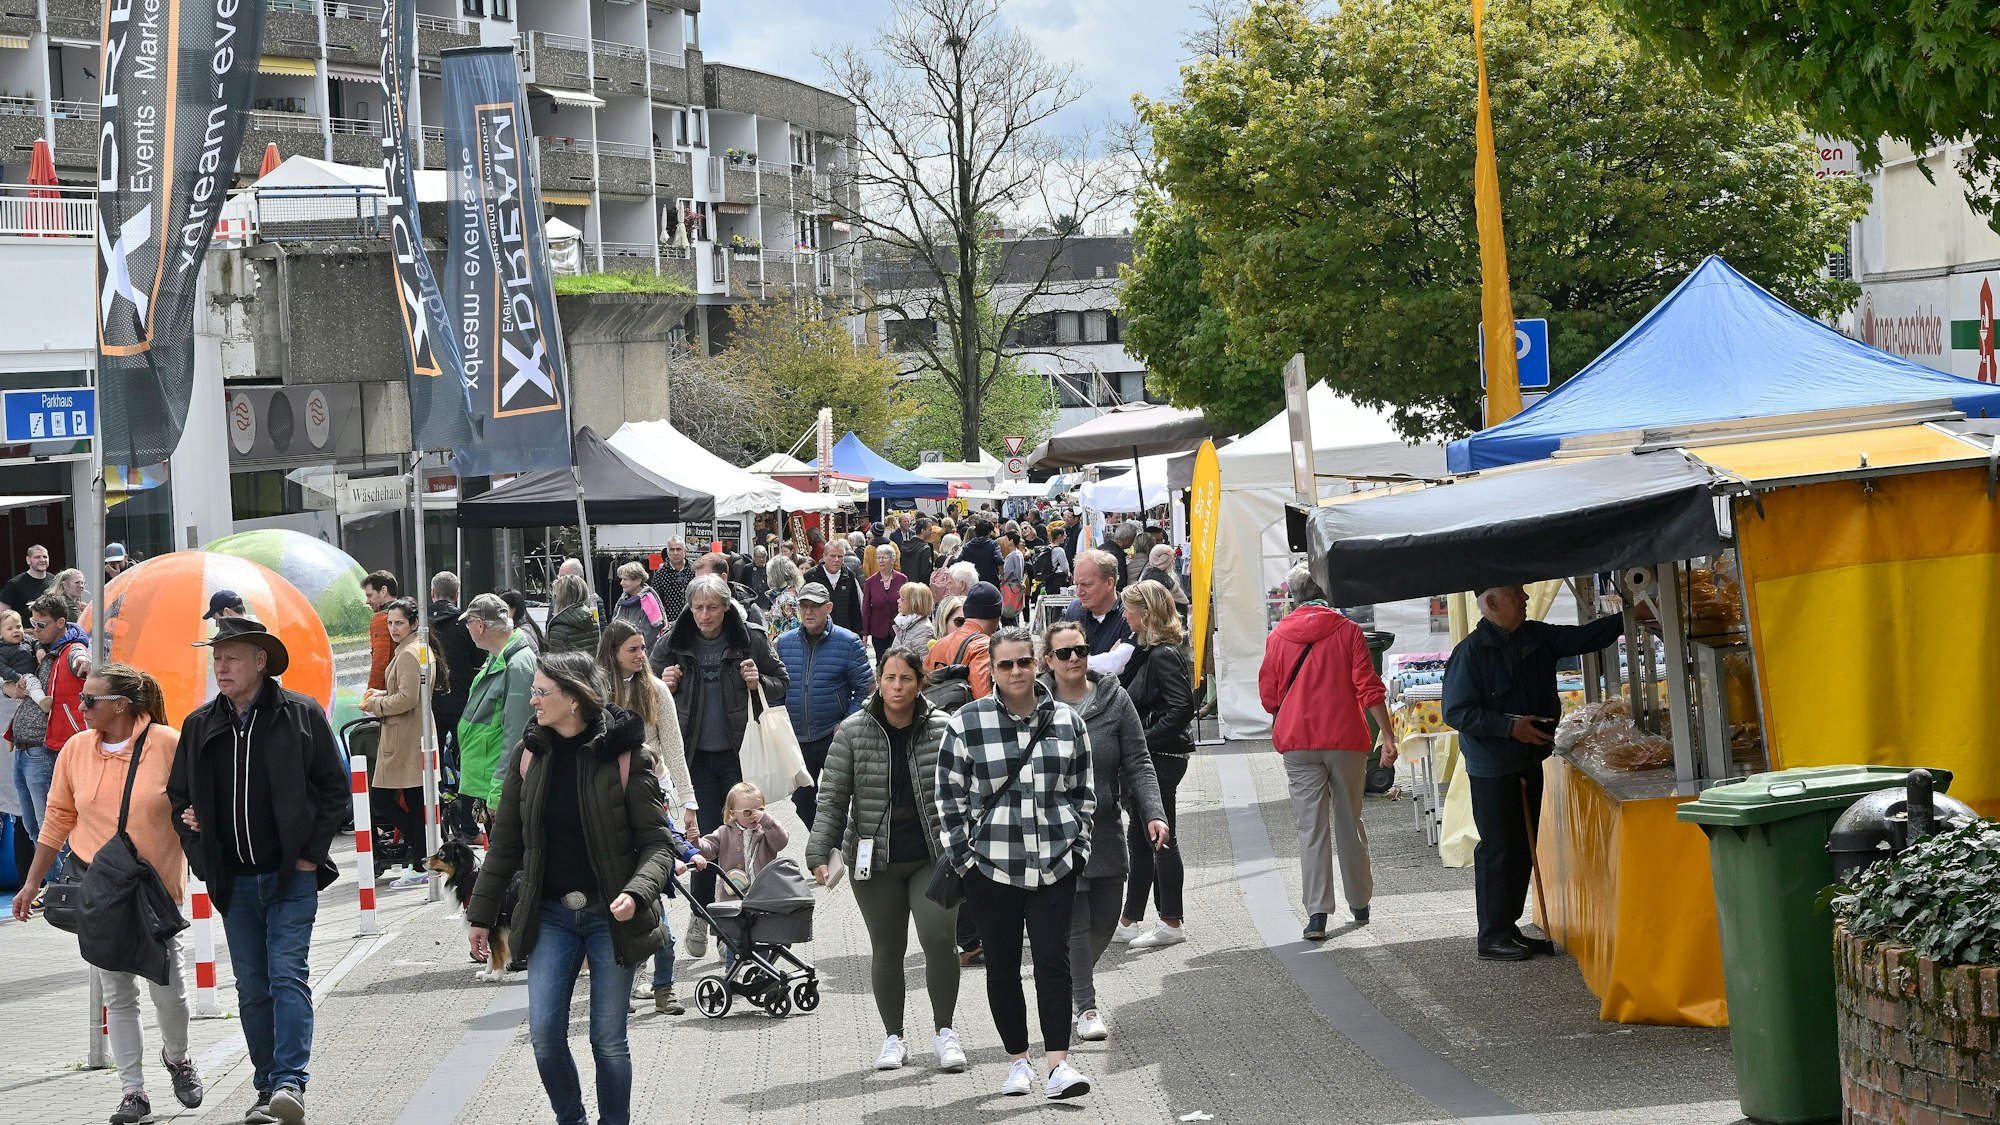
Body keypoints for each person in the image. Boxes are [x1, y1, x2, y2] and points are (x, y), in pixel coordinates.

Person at [466, 652, 675, 1125]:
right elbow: (505, 845)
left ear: (575, 698)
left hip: (611, 918)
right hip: (551, 916)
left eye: (542, 692)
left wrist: (637, 893)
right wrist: (481, 915)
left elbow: (658, 845)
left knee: (608, 1040)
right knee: (544, 1035)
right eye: (534, 691)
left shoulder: (627, 756)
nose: (533, 700)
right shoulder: (529, 756)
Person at [170, 618, 347, 1125]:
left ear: (260, 661)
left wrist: (310, 855)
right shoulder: (200, 724)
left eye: (231, 657)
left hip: (291, 876)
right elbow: (178, 799)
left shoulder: (301, 714)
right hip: (235, 881)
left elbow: (334, 789)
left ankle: (290, 1082)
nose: (220, 667)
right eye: (216, 657)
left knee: (287, 975)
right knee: (251, 987)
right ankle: (267, 1087)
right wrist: (203, 857)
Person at [13, 663, 206, 1125]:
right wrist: (32, 882)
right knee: (117, 994)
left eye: (89, 699)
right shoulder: (75, 749)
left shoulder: (167, 743)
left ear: (120, 704)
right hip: (99, 892)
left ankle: (177, 1057)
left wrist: (201, 822)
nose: (80, 706)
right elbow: (57, 818)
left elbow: (196, 805)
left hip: (156, 892)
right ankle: (133, 1092)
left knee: (171, 994)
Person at [935, 626, 1096, 1100]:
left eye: (1023, 661)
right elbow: (948, 798)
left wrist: (1079, 849)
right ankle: (1017, 1062)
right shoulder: (966, 723)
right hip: (991, 867)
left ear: (1037, 662)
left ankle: (1058, 1065)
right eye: (1005, 664)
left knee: (1052, 962)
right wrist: (965, 860)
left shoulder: (1067, 721)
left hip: (1055, 863)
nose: (1016, 671)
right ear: (992, 670)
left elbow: (1083, 792)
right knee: (1002, 968)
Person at [807, 645, 967, 1073]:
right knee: (887, 948)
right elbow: (832, 799)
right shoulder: (852, 732)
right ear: (878, 681)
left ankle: (945, 1031)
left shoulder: (944, 728)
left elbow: (964, 791)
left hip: (932, 857)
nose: (897, 687)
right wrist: (818, 850)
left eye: (906, 679)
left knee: (938, 938)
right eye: (890, 678)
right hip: (874, 861)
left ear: (920, 683)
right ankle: (894, 1037)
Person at [1443, 585, 1623, 961]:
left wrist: (1630, 617)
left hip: (1530, 757)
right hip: (1493, 766)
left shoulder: (1536, 635)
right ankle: (1492, 935)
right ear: (1492, 603)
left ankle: (1508, 928)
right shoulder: (1471, 652)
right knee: (1499, 848)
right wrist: (1511, 727)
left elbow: (1586, 637)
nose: (1525, 598)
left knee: (1523, 845)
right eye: (1516, 593)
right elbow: (1457, 712)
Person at [1037, 619, 1165, 1042]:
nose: (1074, 658)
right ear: (1048, 660)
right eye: (1064, 653)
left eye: (1080, 650)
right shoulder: (1035, 704)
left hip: (1105, 828)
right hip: (1055, 831)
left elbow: (1139, 761)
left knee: (1108, 919)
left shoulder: (1113, 696)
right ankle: (1086, 1007)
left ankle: (1062, 980)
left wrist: (1154, 813)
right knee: (1075, 924)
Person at [1258, 562, 1397, 941]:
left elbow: (1268, 695)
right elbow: (1368, 686)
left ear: (1294, 596)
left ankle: (1317, 915)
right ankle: (1360, 902)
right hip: (1345, 739)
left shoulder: (1277, 637)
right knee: (1349, 820)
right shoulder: (1349, 631)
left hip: (1299, 741)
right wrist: (1387, 735)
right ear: (1324, 592)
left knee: (1311, 827)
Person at [654, 573, 788, 955]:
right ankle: (702, 913)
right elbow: (642, 687)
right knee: (703, 839)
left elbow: (781, 681)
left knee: (737, 837)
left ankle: (735, 924)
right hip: (694, 756)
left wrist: (758, 681)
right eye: (698, 607)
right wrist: (663, 683)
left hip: (737, 753)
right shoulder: (673, 642)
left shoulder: (750, 639)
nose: (704, 615)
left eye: (712, 607)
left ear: (726, 607)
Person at [597, 619, 696, 1014]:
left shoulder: (655, 690)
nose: (641, 656)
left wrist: (689, 803)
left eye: (643, 648)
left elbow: (674, 749)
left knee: (652, 883)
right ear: (612, 652)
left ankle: (658, 981)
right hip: (608, 799)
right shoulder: (596, 691)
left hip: (652, 794)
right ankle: (626, 977)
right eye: (632, 650)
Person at [1113, 580, 1196, 950]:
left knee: (1159, 837)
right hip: (1156, 754)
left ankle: (1170, 921)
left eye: (1129, 610)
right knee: (1143, 838)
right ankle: (1130, 920)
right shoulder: (1151, 651)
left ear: (1145, 614)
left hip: (1160, 757)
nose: (1124, 615)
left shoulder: (1162, 654)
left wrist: (1140, 743)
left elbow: (1182, 708)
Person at [361, 598, 447, 887]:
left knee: (387, 799)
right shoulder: (413, 649)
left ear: (413, 624)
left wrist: (377, 704)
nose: (393, 628)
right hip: (411, 734)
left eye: (399, 622)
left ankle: (423, 856)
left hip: (406, 736)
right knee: (414, 801)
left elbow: (408, 698)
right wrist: (382, 694)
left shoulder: (410, 652)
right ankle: (424, 856)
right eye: (390, 623)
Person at [774, 583, 874, 826]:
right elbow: (777, 688)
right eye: (804, 606)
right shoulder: (784, 643)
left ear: (828, 608)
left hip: (832, 735)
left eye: (815, 606)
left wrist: (846, 722)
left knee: (834, 801)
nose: (808, 612)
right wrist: (778, 723)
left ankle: (834, 844)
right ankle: (831, 842)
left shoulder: (848, 642)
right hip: (796, 739)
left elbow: (866, 687)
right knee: (802, 800)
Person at [12, 592, 91, 883]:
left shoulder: (71, 649)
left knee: (50, 829)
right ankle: (60, 887)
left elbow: (81, 658)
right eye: (33, 623)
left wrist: (84, 662)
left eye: (41, 624)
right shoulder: (45, 648)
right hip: (26, 749)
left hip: (43, 751)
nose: (35, 629)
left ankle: (66, 888)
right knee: (35, 828)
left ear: (60, 623)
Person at [456, 593, 540, 833]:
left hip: (498, 783)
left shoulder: (516, 664)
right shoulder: (500, 658)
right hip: (491, 779)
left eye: (468, 622)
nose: (467, 629)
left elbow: (517, 733)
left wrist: (499, 789)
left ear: (480, 625)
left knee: (506, 850)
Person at [428, 573, 481, 787]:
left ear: (432, 593)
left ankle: (437, 797)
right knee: (465, 755)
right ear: (457, 595)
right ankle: (464, 797)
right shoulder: (465, 624)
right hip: (462, 700)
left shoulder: (421, 624)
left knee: (432, 757)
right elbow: (478, 659)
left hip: (430, 701)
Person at [924, 582, 1000, 702]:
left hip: (936, 712)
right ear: (996, 618)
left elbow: (923, 687)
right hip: (967, 713)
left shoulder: (938, 645)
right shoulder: (982, 646)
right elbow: (984, 699)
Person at [1061, 551, 1134, 672]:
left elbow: (1117, 665)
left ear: (1109, 583)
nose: (1079, 592)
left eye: (1086, 585)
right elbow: (1054, 657)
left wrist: (1073, 663)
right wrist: (1107, 659)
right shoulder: (1073, 610)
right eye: (1076, 585)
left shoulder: (1130, 613)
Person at [804, 539, 864, 635]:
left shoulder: (848, 575)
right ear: (824, 557)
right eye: (833, 556)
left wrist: (858, 633)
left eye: (840, 556)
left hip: (844, 632)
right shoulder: (811, 576)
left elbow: (854, 608)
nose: (836, 560)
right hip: (818, 633)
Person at [861, 544, 908, 661]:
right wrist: (865, 633)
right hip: (878, 631)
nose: (881, 561)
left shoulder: (902, 579)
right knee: (881, 662)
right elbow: (866, 608)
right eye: (878, 557)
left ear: (892, 560)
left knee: (898, 660)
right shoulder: (870, 582)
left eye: (884, 557)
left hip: (897, 630)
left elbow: (907, 604)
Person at [691, 551, 763, 626]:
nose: (700, 586)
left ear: (723, 578)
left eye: (706, 580)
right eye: (697, 581)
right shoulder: (691, 608)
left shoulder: (750, 609)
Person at [612, 562, 668, 650]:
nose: (621, 583)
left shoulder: (649, 601)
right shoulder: (621, 602)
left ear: (638, 580)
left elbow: (650, 635)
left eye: (625, 579)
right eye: (621, 579)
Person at [545, 574, 603, 656]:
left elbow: (555, 661)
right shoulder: (592, 620)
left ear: (562, 597)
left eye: (555, 595)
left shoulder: (558, 628)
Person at [363, 570, 400, 692]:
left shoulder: (381, 619)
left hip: (389, 690)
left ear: (384, 591)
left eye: (370, 595)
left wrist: (370, 694)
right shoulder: (410, 616)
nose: (367, 601)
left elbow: (380, 661)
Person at [649, 538, 696, 625]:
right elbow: (655, 601)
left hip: (694, 621)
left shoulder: (694, 570)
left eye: (678, 549)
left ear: (684, 551)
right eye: (672, 549)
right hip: (670, 623)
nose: (675, 553)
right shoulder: (660, 574)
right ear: (667, 552)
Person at [0, 543, 54, 616]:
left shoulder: (55, 581)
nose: (42, 560)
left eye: (45, 557)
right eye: (37, 557)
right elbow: (3, 614)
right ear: (28, 560)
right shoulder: (15, 584)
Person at [1138, 544, 1189, 614]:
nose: (1174, 563)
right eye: (1172, 560)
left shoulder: (1144, 579)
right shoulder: (1167, 583)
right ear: (1164, 560)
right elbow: (1182, 602)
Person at [959, 519, 1003, 587]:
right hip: (991, 582)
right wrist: (1002, 574)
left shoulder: (967, 546)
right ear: (989, 532)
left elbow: (959, 561)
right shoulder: (993, 544)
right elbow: (999, 560)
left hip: (973, 582)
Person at [893, 582, 935, 652]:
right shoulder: (905, 623)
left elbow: (924, 658)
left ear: (915, 603)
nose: (898, 601)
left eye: (902, 599)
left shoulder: (924, 630)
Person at [501, 589, 546, 653]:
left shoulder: (523, 633)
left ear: (514, 608)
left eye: (503, 608)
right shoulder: (527, 626)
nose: (500, 613)